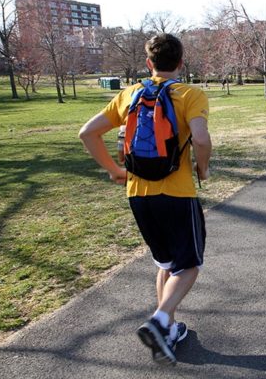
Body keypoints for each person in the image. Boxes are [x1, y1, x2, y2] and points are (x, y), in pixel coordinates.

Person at [78, 33, 212, 366]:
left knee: (166, 264)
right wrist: (202, 168)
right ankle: (160, 319)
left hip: (138, 195)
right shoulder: (190, 94)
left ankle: (167, 331)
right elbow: (201, 138)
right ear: (181, 63)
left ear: (148, 63)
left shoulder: (129, 94)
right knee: (189, 265)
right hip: (177, 194)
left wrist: (114, 171)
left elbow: (87, 133)